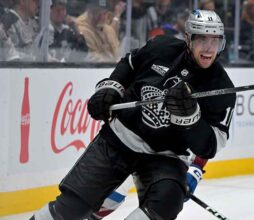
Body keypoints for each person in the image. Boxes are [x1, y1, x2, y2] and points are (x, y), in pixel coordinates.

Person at [30, 9, 236, 220]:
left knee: (166, 202)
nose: (209, 49)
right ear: (188, 39)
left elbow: (210, 145)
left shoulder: (221, 87)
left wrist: (191, 119)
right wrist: (110, 88)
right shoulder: (160, 48)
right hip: (120, 139)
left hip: (166, 156)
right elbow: (129, 63)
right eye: (202, 40)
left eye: (216, 41)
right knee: (71, 208)